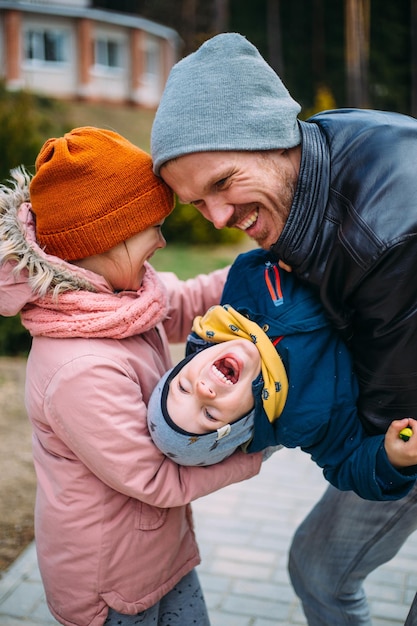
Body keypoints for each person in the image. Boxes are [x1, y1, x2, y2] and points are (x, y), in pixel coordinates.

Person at [150, 32, 417, 626]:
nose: (218, 219)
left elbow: (385, 425)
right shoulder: (312, 155)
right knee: (317, 569)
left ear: (269, 136)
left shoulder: (387, 236)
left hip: (400, 423)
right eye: (196, 204)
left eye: (221, 183)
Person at [0, 126, 263, 626]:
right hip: (111, 586)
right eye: (153, 226)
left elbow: (183, 303)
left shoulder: (120, 298)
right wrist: (257, 453)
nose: (163, 239)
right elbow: (154, 476)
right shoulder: (78, 367)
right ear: (106, 239)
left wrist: (261, 272)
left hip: (160, 552)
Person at [147, 247, 417, 501]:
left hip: (373, 253)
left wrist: (294, 248)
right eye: (209, 415)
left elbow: (275, 242)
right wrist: (391, 459)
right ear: (243, 425)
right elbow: (346, 464)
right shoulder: (304, 418)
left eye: (183, 388)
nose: (203, 390)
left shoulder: (241, 286)